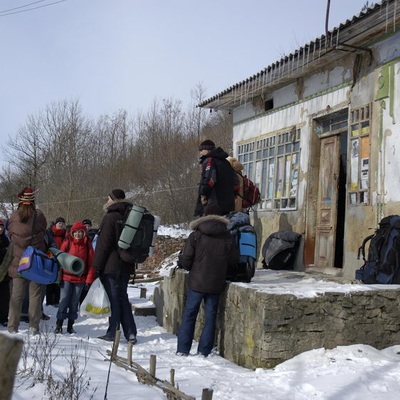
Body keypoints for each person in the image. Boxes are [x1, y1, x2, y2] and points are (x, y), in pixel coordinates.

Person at [176, 203, 239, 357]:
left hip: (197, 281)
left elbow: (186, 258)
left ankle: (183, 349)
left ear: (205, 215)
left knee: (190, 314)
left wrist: (189, 267)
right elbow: (233, 260)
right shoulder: (228, 236)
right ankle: (204, 350)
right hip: (216, 283)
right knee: (210, 316)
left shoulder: (197, 235)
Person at [93, 189, 138, 344]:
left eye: (108, 198)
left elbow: (103, 245)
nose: (107, 200)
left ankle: (113, 332)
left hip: (111, 266)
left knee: (114, 299)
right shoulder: (132, 216)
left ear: (113, 200)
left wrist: (96, 266)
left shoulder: (110, 217)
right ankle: (131, 333)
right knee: (123, 298)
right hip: (127, 264)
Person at [7, 187, 48, 335]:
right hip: (35, 262)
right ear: (32, 202)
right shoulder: (39, 216)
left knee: (16, 296)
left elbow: (10, 234)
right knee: (35, 296)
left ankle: (12, 326)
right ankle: (33, 326)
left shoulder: (13, 217)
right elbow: (44, 229)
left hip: (18, 262)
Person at [55, 221, 95, 334]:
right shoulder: (67, 243)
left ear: (84, 233)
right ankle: (59, 324)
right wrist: (59, 277)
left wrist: (89, 280)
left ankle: (70, 325)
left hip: (80, 279)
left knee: (74, 302)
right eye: (75, 232)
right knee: (63, 301)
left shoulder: (88, 245)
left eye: (80, 232)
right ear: (72, 233)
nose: (78, 234)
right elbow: (60, 259)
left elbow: (91, 264)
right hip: (66, 278)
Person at [194, 139, 237, 218]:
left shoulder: (209, 161)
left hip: (213, 204)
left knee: (211, 227)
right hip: (228, 204)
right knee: (224, 227)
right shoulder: (226, 162)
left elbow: (209, 180)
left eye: (201, 150)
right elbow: (235, 182)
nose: (200, 152)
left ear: (207, 149)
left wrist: (204, 195)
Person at [46, 216, 67, 306]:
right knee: (49, 279)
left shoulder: (65, 235)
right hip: (50, 257)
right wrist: (50, 256)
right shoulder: (50, 233)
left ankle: (56, 300)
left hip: (61, 258)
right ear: (55, 224)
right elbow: (47, 245)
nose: (61, 225)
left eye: (62, 224)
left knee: (58, 280)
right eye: (59, 223)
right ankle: (49, 300)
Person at [0, 219, 11, 327]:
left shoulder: (6, 239)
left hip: (4, 274)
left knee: (4, 297)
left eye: (2, 227)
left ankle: (3, 318)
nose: (0, 229)